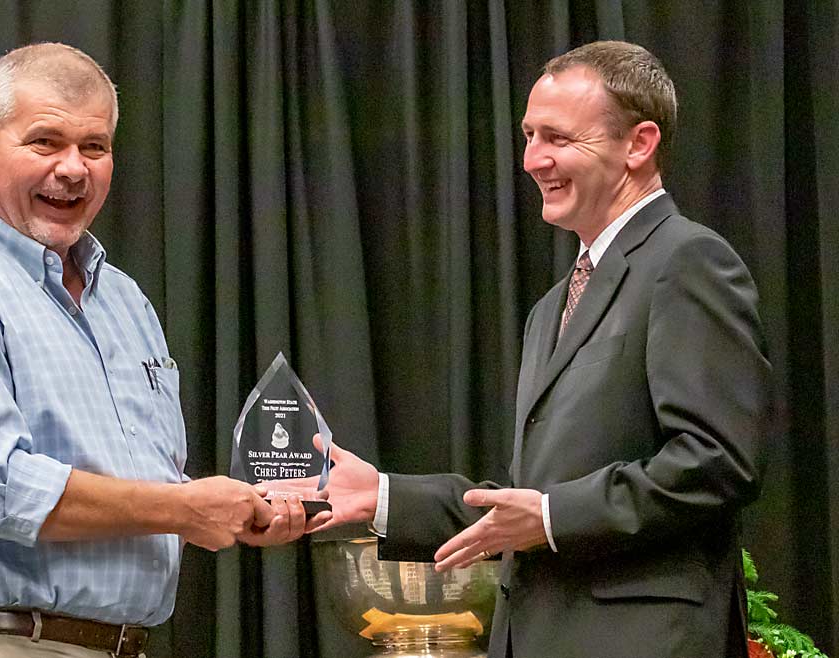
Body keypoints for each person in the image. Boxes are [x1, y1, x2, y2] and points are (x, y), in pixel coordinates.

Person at [316, 41, 771, 658]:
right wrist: (386, 495)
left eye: (557, 138)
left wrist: (553, 516)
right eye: (529, 136)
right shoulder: (550, 306)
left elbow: (717, 460)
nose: (533, 159)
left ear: (639, 144)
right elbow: (528, 500)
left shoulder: (688, 261)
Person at [0, 42, 318, 658]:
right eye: (45, 142)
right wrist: (182, 507)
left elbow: (143, 487)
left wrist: (237, 512)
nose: (73, 168)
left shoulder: (125, 300)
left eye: (94, 147)